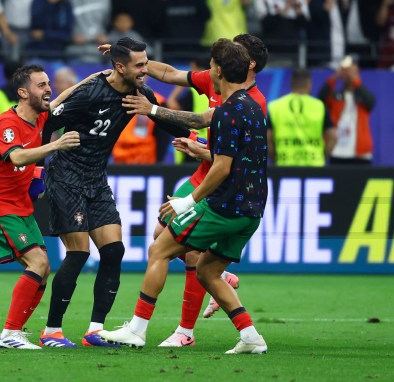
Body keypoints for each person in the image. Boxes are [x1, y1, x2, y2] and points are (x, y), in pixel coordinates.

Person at [98, 39, 269, 355]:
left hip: (223, 205)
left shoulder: (230, 112)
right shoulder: (248, 106)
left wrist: (189, 201)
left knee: (159, 249)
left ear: (218, 70)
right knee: (207, 270)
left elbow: (221, 168)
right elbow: (209, 127)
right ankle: (250, 336)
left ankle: (137, 328)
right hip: (252, 209)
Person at [39, 37, 194, 348]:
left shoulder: (140, 92)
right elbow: (48, 122)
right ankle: (51, 331)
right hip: (66, 174)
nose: (145, 69)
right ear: (120, 67)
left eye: (146, 62)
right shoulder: (89, 91)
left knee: (113, 251)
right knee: (80, 252)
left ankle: (95, 331)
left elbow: (174, 126)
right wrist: (38, 165)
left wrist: (153, 113)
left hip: (96, 177)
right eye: (139, 65)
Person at [0, 64, 101, 350]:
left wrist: (94, 78)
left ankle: (15, 332)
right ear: (23, 92)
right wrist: (56, 146)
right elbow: (17, 157)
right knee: (39, 263)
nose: (48, 89)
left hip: (20, 208)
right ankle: (9, 333)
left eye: (48, 84)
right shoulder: (6, 123)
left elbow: (62, 98)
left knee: (42, 271)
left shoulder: (41, 117)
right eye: (41, 85)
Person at [267, 68, 337, 166]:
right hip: (314, 165)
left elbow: (267, 138)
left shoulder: (275, 106)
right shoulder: (319, 106)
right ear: (309, 83)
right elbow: (333, 137)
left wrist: (274, 158)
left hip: (284, 165)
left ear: (291, 83)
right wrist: (322, 156)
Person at [318, 56, 375, 165]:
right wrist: (335, 77)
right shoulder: (335, 97)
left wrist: (355, 79)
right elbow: (321, 99)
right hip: (337, 151)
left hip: (360, 154)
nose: (348, 75)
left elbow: (371, 103)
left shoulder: (363, 97)